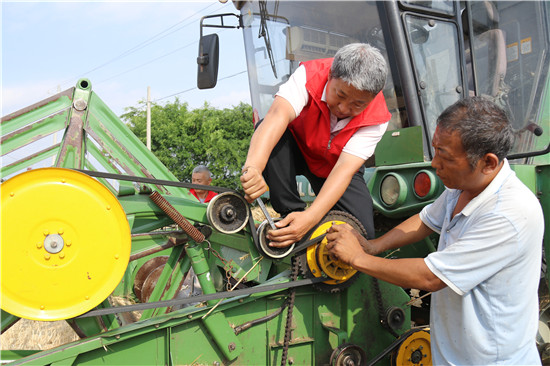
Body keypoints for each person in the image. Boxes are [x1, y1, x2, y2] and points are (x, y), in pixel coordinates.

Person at [326, 97, 544, 365]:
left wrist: (358, 259)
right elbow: (425, 221)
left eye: (446, 156)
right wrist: (373, 246)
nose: (434, 164)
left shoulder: (509, 213)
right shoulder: (463, 187)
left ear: (487, 163)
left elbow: (431, 277)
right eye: (435, 150)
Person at [240, 43, 391, 247]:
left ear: (372, 99)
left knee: (363, 232)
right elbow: (276, 117)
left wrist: (312, 218)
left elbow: (344, 170)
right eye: (340, 95)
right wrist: (254, 168)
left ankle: (309, 228)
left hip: (335, 166)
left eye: (358, 105)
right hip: (298, 149)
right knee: (269, 130)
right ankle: (290, 216)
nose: (344, 108)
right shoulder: (308, 75)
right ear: (330, 76)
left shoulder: (378, 117)